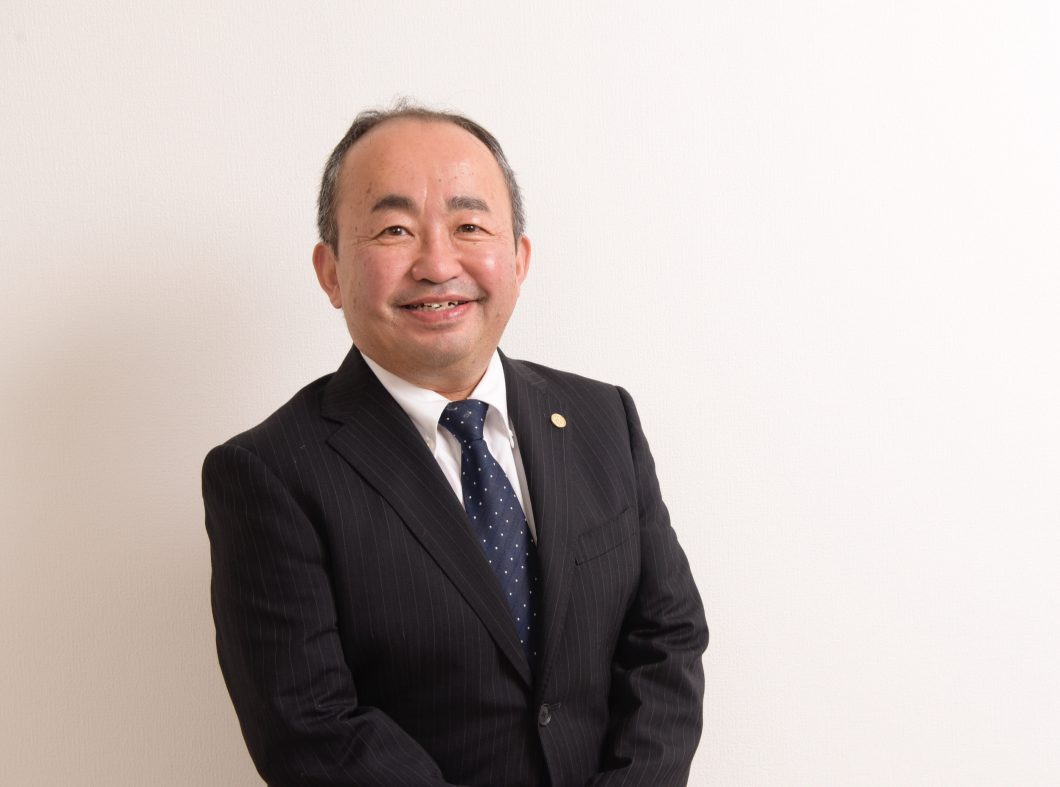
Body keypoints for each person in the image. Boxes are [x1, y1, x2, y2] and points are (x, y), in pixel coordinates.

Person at [203, 102, 708, 787]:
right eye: (394, 229)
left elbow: (666, 637)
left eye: (469, 226)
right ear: (331, 271)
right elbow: (311, 728)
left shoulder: (602, 418)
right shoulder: (269, 474)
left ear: (519, 259)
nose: (438, 264)